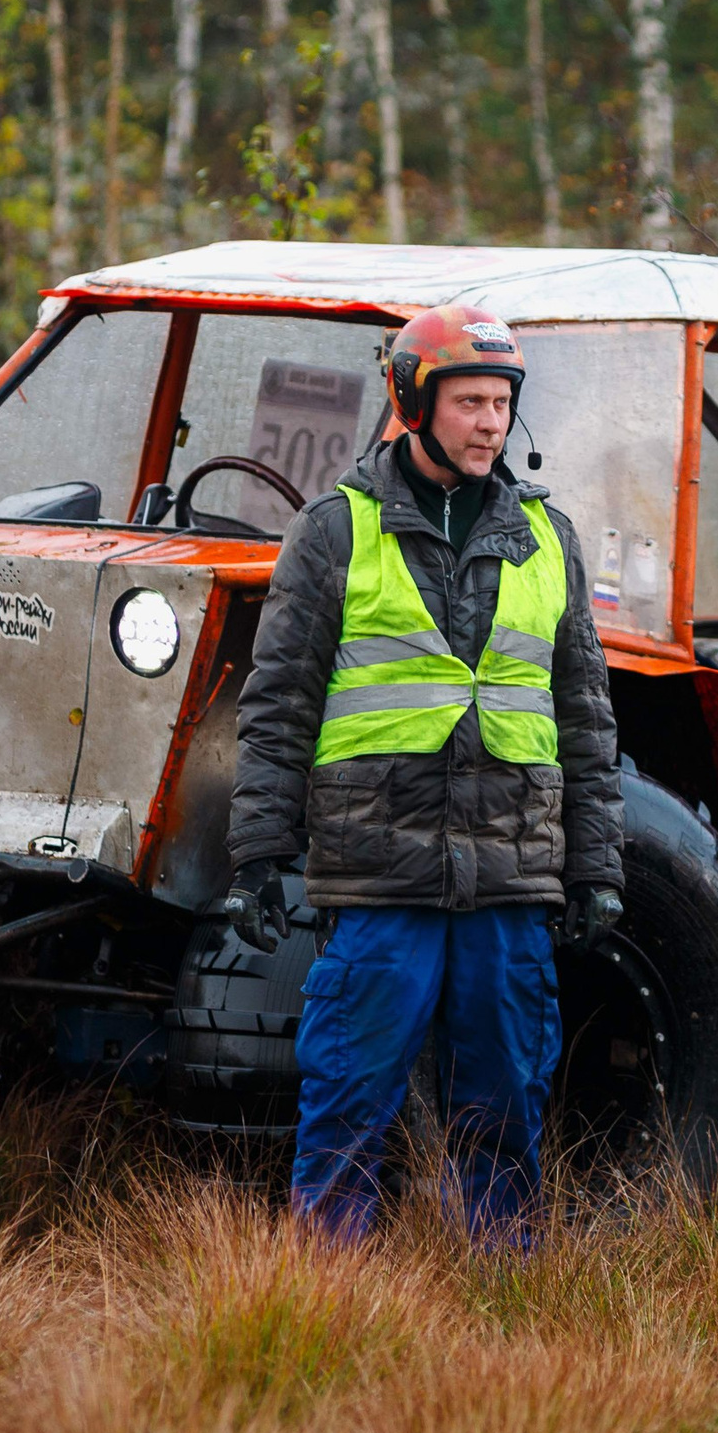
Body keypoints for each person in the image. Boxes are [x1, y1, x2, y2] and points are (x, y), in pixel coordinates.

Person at [223, 303, 625, 1242]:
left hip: (509, 879)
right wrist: (256, 854)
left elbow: (586, 719)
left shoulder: (550, 538)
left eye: (501, 403)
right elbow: (278, 705)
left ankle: (501, 1285)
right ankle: (326, 1290)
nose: (490, 423)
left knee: (508, 1102)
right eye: (469, 402)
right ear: (413, 402)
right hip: (378, 874)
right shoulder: (334, 531)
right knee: (349, 1097)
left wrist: (597, 867)